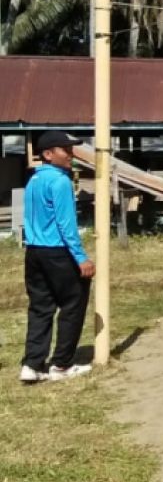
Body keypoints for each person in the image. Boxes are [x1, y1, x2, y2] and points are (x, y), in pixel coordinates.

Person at [20, 130, 95, 384]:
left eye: (71, 150)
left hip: (34, 252)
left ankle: (32, 364)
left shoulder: (33, 180)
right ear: (48, 154)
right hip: (57, 252)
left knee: (41, 307)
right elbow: (66, 225)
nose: (71, 155)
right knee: (74, 302)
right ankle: (61, 364)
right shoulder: (60, 181)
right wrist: (81, 257)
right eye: (66, 150)